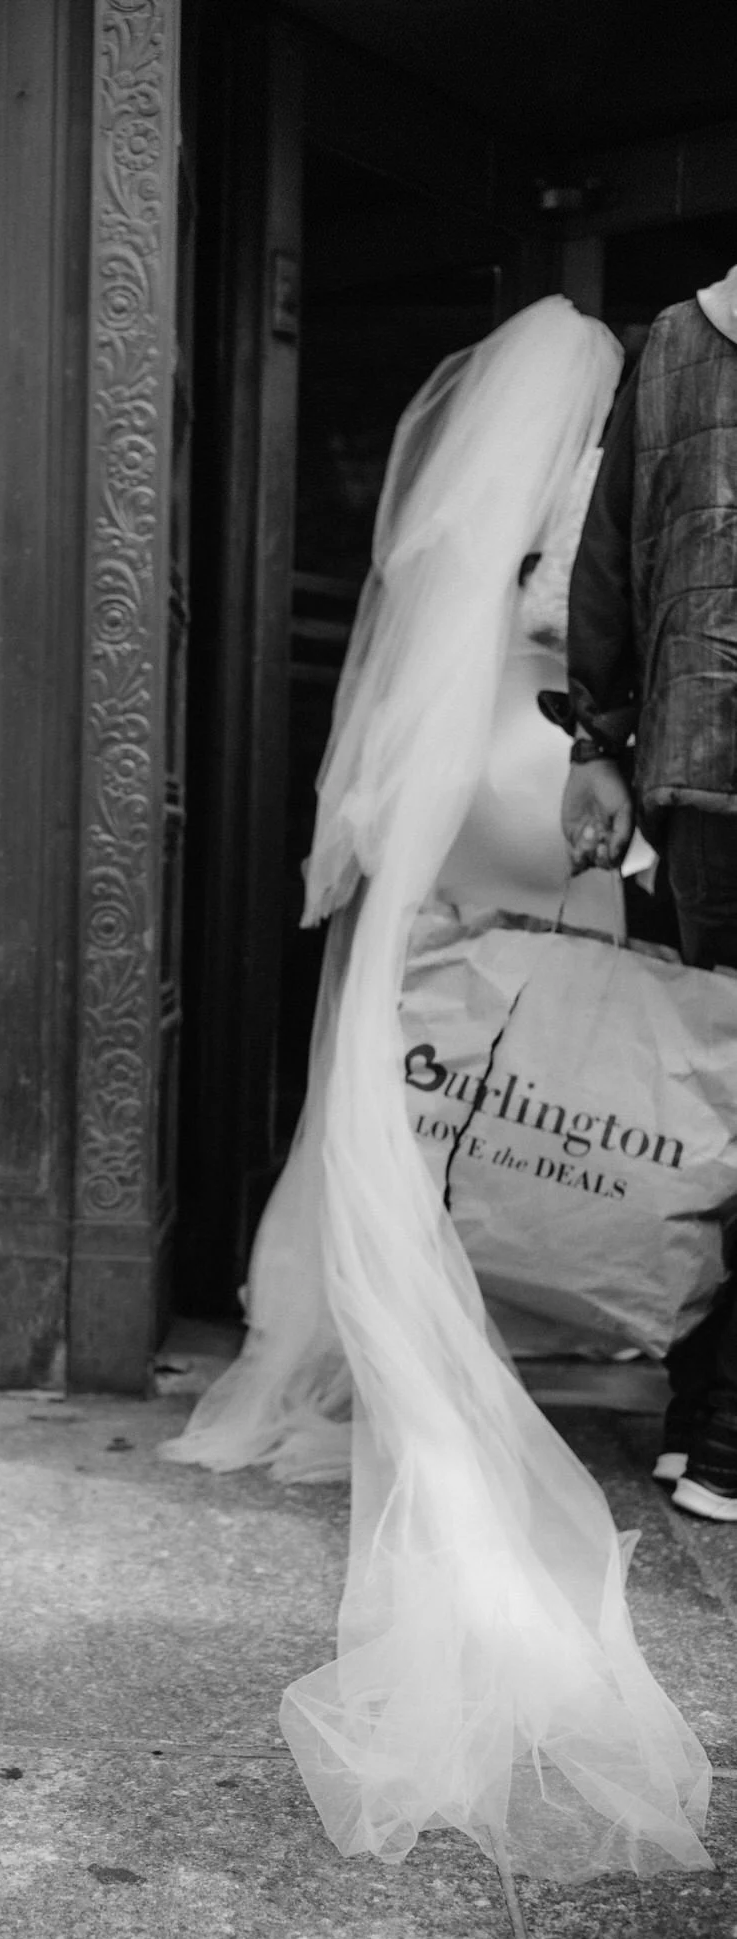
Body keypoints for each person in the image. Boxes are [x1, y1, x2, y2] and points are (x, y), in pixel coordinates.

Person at [162, 298, 712, 1881]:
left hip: (459, 782)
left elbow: (446, 625)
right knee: (541, 1073)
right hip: (542, 797)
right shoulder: (611, 483)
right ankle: (511, 1305)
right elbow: (580, 648)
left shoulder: (492, 503)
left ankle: (390, 1311)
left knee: (431, 1081)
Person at [553, 265, 737, 1523]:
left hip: (690, 771)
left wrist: (599, 746)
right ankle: (722, 1432)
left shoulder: (672, 337)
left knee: (718, 1088)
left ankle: (699, 1410)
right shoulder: (669, 338)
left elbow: (606, 562)